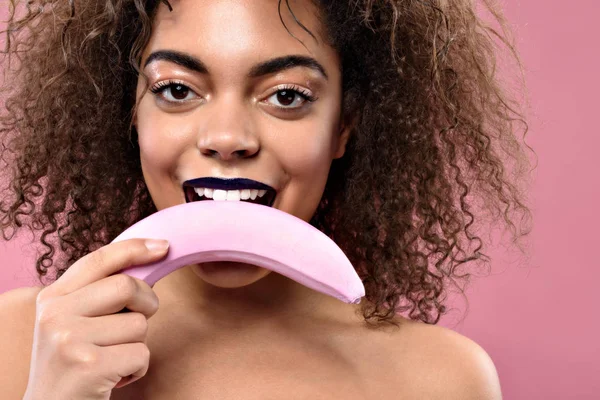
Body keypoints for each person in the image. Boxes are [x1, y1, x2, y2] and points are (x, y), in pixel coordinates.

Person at [0, 0, 534, 398]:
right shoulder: (19, 341)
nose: (228, 137)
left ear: (343, 125)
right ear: (132, 114)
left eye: (286, 96)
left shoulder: (438, 380)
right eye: (177, 90)